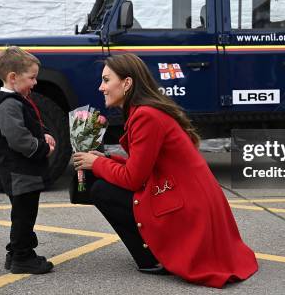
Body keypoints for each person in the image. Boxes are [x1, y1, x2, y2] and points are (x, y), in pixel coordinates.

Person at [72, 54, 258, 288]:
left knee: (101, 190)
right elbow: (144, 166)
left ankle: (151, 258)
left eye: (106, 80)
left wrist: (97, 164)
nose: (101, 87)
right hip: (190, 198)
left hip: (188, 206)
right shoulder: (146, 110)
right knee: (99, 179)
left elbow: (133, 178)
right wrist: (107, 159)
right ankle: (153, 250)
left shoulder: (145, 116)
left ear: (127, 83)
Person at [0, 46, 55, 274]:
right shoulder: (8, 104)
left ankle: (16, 253)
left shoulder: (12, 100)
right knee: (24, 216)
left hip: (20, 172)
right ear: (13, 77)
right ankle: (22, 258)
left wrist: (42, 132)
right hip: (20, 172)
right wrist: (42, 148)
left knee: (22, 214)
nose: (35, 83)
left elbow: (26, 124)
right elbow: (18, 139)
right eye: (31, 77)